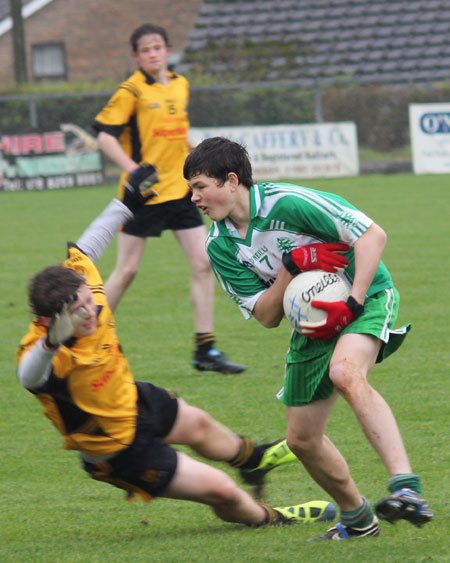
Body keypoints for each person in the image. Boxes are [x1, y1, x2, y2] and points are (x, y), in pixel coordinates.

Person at [16, 169, 336, 530]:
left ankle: (253, 460)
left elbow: (86, 248)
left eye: (90, 301)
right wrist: (51, 342)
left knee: (200, 425)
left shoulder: (78, 284)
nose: (90, 311)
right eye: (78, 312)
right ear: (51, 319)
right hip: (118, 451)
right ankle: (271, 517)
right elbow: (27, 376)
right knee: (223, 492)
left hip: (133, 399)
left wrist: (124, 205)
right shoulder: (45, 350)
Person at [183, 136, 433, 541]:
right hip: (311, 322)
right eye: (191, 189)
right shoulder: (220, 245)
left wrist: (351, 303)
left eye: (199, 186)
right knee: (302, 439)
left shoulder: (288, 202)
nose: (194, 197)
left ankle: (406, 489)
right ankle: (358, 521)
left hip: (363, 295)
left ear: (231, 181)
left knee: (346, 374)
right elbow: (266, 316)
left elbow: (373, 237)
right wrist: (291, 267)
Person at [92, 23, 244, 374]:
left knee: (204, 263)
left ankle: (205, 350)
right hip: (144, 194)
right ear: (136, 57)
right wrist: (133, 169)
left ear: (167, 49)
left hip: (181, 191)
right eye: (146, 50)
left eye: (158, 47)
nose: (153, 54)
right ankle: (93, 337)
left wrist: (202, 151)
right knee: (127, 270)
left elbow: (176, 134)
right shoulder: (131, 90)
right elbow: (103, 134)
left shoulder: (180, 84)